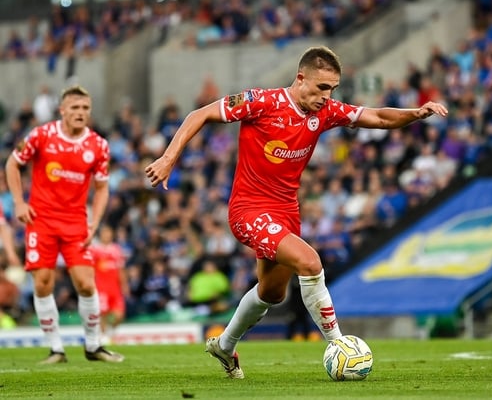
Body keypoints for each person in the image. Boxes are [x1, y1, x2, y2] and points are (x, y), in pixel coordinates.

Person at [144, 45, 448, 379]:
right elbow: (198, 115)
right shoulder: (262, 102)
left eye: (332, 89)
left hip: (286, 212)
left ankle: (224, 346)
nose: (326, 96)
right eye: (321, 88)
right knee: (309, 261)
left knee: (272, 293)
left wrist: (415, 113)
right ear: (300, 78)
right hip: (248, 210)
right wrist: (169, 158)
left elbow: (375, 116)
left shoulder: (326, 112)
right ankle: (339, 345)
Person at [4, 85, 124, 363]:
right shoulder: (41, 135)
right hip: (41, 220)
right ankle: (55, 348)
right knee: (43, 284)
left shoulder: (98, 145)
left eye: (85, 108)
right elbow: (12, 164)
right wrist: (19, 203)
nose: (80, 113)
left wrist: (94, 222)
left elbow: (102, 188)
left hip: (75, 223)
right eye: (75, 108)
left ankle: (94, 346)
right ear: (63, 110)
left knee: (85, 283)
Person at [88, 224, 129, 345]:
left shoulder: (116, 249)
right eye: (105, 232)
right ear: (101, 235)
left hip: (115, 288)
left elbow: (121, 269)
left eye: (109, 232)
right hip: (101, 288)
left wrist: (125, 285)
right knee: (103, 314)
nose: (107, 235)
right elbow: (91, 270)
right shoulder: (95, 250)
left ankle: (109, 333)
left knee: (119, 314)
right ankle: (104, 336)